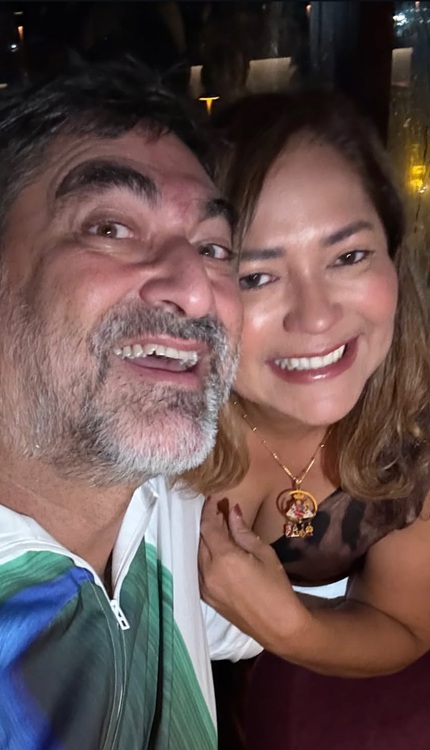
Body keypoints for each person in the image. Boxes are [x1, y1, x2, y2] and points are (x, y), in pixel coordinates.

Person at [0, 61, 261, 749]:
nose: (195, 289)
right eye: (110, 228)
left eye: (213, 247)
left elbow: (267, 617)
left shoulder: (173, 506)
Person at [189, 91, 430, 748]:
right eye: (255, 277)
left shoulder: (414, 432)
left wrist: (288, 625)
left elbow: (403, 625)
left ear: (393, 253)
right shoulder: (138, 426)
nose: (316, 316)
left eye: (348, 256)